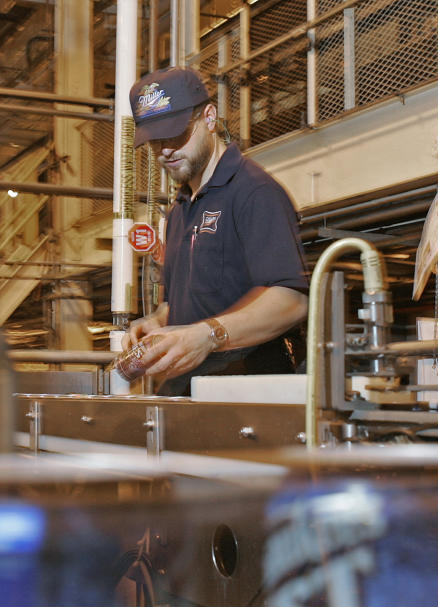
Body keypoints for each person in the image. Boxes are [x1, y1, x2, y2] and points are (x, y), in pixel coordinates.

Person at [124, 67, 309, 395]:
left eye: (176, 134)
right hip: (191, 387)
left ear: (209, 118)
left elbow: (291, 301)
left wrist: (208, 336)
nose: (165, 151)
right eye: (154, 141)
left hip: (245, 391)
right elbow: (196, 302)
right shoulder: (180, 209)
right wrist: (159, 321)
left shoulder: (253, 192)